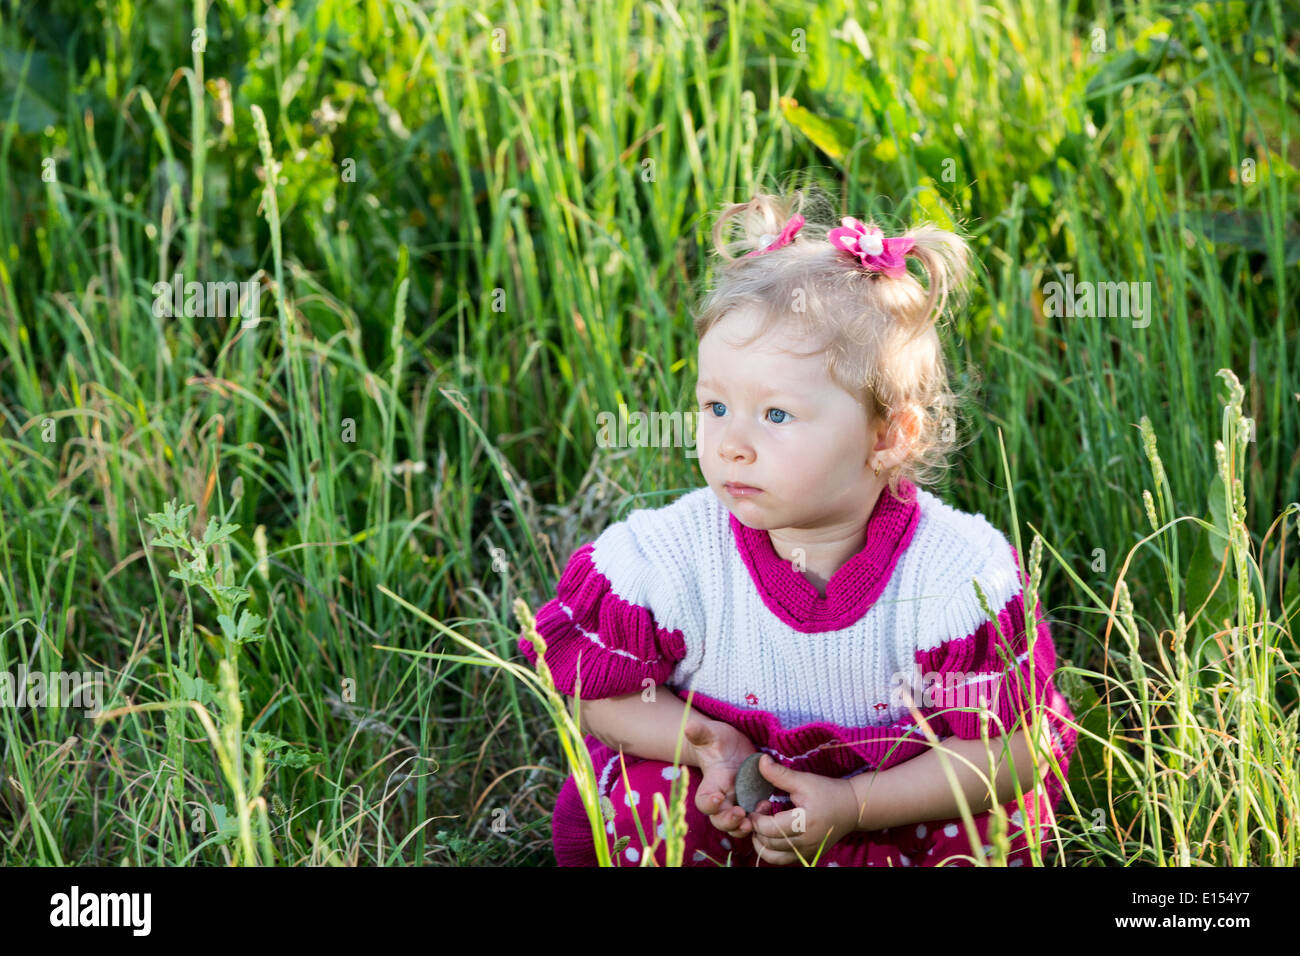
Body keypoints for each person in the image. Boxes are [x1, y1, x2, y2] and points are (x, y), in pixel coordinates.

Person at [518, 183, 1079, 866]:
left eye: (776, 416)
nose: (732, 444)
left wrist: (854, 806)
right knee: (649, 801)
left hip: (898, 810)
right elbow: (593, 693)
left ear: (888, 436)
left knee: (985, 825)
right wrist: (702, 742)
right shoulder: (669, 556)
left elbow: (1013, 751)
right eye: (716, 407)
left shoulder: (955, 577)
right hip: (730, 811)